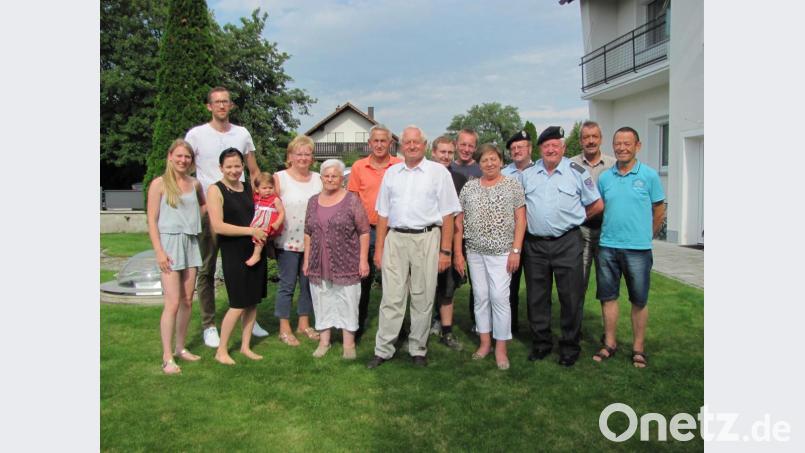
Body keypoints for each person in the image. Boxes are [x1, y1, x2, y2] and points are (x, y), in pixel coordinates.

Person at [367, 126, 461, 369]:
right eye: (407, 142)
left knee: (423, 295)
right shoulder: (392, 173)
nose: (411, 146)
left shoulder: (438, 172)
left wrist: (446, 251)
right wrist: (379, 250)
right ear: (401, 145)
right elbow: (383, 214)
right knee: (391, 297)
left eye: (416, 142)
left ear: (424, 144)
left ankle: (418, 348)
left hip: (427, 238)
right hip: (395, 238)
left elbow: (448, 214)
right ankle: (383, 349)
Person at [185, 86, 269, 347]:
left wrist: (265, 199)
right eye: (217, 102)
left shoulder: (242, 133)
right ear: (209, 106)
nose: (222, 106)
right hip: (213, 206)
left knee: (247, 264)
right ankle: (209, 325)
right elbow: (186, 170)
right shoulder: (197, 134)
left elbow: (253, 170)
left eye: (226, 102)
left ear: (231, 106)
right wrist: (198, 203)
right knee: (208, 269)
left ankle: (248, 317)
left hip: (241, 206)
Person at [521, 126, 603, 367]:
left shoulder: (576, 171)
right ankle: (541, 344)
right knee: (537, 297)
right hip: (535, 244)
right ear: (540, 149)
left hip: (567, 242)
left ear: (564, 148)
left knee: (570, 296)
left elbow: (597, 204)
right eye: (546, 146)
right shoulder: (528, 174)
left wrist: (577, 218)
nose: (551, 149)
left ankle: (569, 346)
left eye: (555, 145)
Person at [592, 127, 665, 368]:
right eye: (618, 143)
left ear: (637, 146)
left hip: (638, 250)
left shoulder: (649, 176)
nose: (622, 147)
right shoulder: (605, 177)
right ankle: (610, 343)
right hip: (608, 247)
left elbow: (659, 210)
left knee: (639, 300)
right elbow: (601, 207)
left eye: (627, 143)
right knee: (608, 297)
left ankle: (638, 348)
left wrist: (647, 235)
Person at [454, 144, 526, 370]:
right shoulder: (469, 188)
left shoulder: (512, 186)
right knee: (481, 297)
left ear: (501, 161)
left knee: (499, 297)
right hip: (475, 252)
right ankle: (485, 343)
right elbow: (459, 221)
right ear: (479, 163)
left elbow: (521, 220)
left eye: (493, 159)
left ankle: (501, 347)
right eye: (484, 160)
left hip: (502, 253)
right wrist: (458, 252)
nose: (489, 163)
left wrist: (516, 250)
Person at [147, 139, 206, 374]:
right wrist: (159, 251)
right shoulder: (159, 184)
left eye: (187, 157)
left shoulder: (195, 184)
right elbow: (151, 219)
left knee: (187, 300)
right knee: (172, 302)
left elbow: (204, 207)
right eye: (179, 156)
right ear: (170, 156)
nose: (183, 160)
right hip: (169, 244)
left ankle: (181, 348)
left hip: (191, 242)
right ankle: (167, 356)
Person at [206, 148, 269, 365]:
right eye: (229, 166)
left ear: (243, 166)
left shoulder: (247, 188)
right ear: (221, 168)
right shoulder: (216, 190)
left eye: (237, 166)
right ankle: (221, 350)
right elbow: (218, 226)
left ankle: (245, 346)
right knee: (238, 303)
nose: (234, 170)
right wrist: (251, 231)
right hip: (234, 252)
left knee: (252, 302)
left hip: (254, 250)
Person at [303, 160, 371, 359]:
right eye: (326, 175)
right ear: (322, 177)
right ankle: (324, 342)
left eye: (335, 176)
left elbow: (364, 231)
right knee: (322, 300)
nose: (330, 179)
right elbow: (308, 232)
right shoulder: (313, 201)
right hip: (318, 261)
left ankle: (348, 345)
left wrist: (363, 260)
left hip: (346, 261)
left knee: (347, 301)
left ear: (342, 179)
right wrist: (307, 260)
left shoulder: (351, 200)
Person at [346, 125, 401, 341]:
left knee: (395, 283)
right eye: (375, 141)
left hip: (394, 231)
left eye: (383, 141)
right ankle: (357, 325)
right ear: (370, 143)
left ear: (390, 144)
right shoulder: (359, 167)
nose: (379, 145)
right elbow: (353, 201)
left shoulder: (399, 166)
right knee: (363, 280)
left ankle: (398, 329)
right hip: (367, 231)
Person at [273, 135, 323, 346]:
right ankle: (284, 328)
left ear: (312, 157)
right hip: (287, 241)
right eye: (298, 153)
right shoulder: (280, 178)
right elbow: (269, 206)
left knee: (308, 284)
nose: (303, 157)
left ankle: (304, 323)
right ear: (290, 156)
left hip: (313, 242)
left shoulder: (319, 178)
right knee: (287, 285)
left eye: (307, 153)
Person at [428, 136, 467, 351]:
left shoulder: (460, 179)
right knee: (422, 289)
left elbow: (459, 218)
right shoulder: (423, 175)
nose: (445, 156)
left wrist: (457, 252)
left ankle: (446, 332)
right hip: (425, 239)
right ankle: (420, 331)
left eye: (449, 153)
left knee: (447, 290)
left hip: (450, 240)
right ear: (433, 152)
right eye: (442, 152)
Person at [570, 121, 616, 301]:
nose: (590, 141)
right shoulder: (571, 165)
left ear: (601, 139)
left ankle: (609, 330)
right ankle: (575, 328)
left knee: (607, 286)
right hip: (581, 231)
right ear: (581, 141)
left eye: (594, 136)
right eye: (586, 137)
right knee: (578, 283)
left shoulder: (613, 165)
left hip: (607, 232)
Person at [501, 129, 536, 334]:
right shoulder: (504, 174)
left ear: (530, 149)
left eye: (520, 147)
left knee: (535, 286)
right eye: (513, 148)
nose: (516, 151)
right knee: (509, 285)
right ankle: (509, 326)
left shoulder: (540, 171)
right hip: (509, 238)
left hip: (533, 238)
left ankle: (536, 328)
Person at [245, 172, 285, 267]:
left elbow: (282, 212)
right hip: (258, 221)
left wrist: (278, 223)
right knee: (254, 233)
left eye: (270, 188)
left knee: (261, 233)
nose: (268, 190)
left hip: (269, 222)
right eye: (264, 188)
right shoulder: (256, 198)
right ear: (257, 190)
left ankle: (256, 254)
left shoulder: (275, 199)